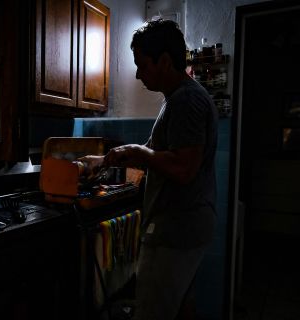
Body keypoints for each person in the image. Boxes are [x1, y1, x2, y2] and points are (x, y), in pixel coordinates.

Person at [79, 19, 218, 320]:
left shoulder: (186, 100)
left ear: (165, 61)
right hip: (188, 224)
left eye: (142, 65)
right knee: (180, 307)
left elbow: (183, 168)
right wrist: (103, 160)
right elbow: (156, 156)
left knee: (152, 311)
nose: (139, 74)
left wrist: (137, 151)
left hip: (176, 228)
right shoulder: (177, 99)